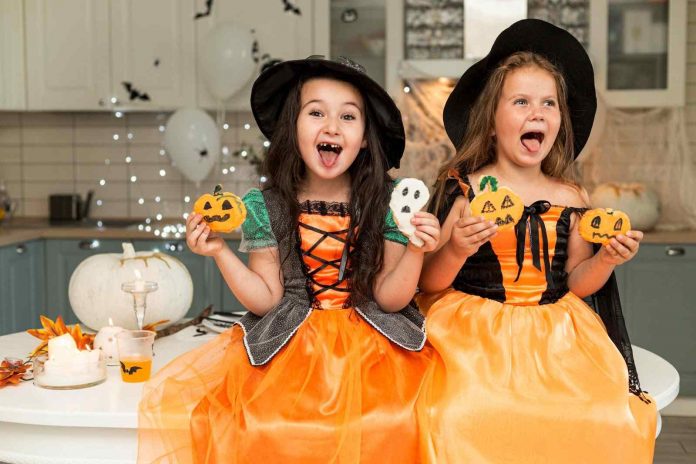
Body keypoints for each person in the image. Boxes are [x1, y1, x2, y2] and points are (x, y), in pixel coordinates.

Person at [138, 56, 439, 463]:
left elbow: (390, 298)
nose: (331, 126)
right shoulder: (266, 207)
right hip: (291, 345)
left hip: (374, 350)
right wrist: (219, 253)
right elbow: (266, 299)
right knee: (262, 426)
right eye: (316, 112)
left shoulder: (391, 202)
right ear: (293, 126)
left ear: (366, 138)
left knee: (397, 420)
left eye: (348, 117)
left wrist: (417, 249)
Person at [416, 19, 656, 463]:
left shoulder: (571, 197)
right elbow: (428, 284)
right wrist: (456, 249)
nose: (537, 113)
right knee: (454, 411)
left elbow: (577, 283)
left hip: (557, 335)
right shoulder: (464, 188)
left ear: (560, 123)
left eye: (549, 103)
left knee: (601, 413)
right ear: (491, 121)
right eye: (521, 101)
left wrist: (604, 260)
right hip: (473, 336)